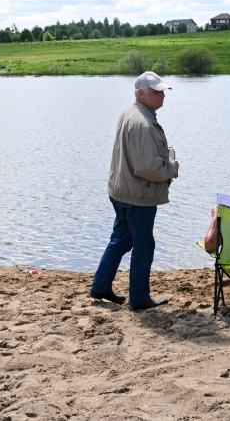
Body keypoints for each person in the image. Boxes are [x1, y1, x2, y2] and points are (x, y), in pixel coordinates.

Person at [91, 72, 179, 310]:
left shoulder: (131, 113)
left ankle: (100, 286)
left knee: (121, 238)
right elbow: (146, 167)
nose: (162, 95)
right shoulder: (143, 123)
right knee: (143, 245)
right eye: (156, 91)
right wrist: (171, 168)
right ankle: (139, 298)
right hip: (137, 196)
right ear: (141, 93)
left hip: (121, 189)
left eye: (162, 91)